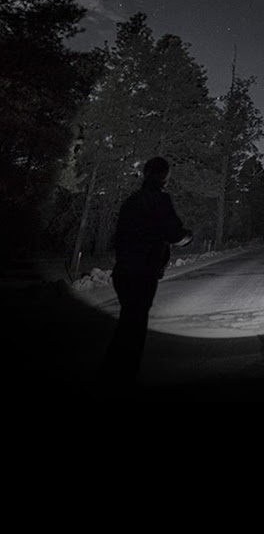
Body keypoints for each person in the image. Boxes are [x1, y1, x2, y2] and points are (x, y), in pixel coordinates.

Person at [100, 156, 192, 395]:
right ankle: (121, 380)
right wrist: (186, 237)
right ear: (164, 176)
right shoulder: (159, 200)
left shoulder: (131, 201)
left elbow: (119, 236)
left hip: (123, 270)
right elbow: (173, 232)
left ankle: (112, 375)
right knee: (135, 326)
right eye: (166, 175)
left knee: (128, 322)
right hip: (143, 271)